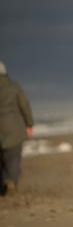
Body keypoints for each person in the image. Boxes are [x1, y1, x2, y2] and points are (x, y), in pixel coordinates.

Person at [0, 61, 34, 195]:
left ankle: (3, 185)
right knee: (13, 158)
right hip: (13, 128)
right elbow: (24, 105)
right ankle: (11, 182)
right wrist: (29, 124)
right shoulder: (14, 87)